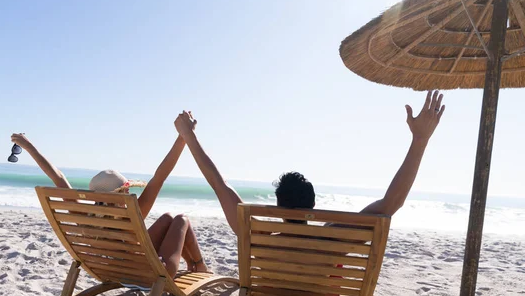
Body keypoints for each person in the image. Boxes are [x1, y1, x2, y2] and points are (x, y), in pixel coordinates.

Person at [173, 91, 446, 234]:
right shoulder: (330, 236)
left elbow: (218, 184)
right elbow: (391, 204)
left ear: (279, 207)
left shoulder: (256, 233)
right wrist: (420, 140)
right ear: (313, 206)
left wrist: (188, 136)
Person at [10, 128, 209, 277]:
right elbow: (160, 176)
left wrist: (28, 147)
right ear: (123, 191)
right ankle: (199, 264)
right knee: (181, 219)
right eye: (127, 189)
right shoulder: (132, 212)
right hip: (154, 274)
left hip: (113, 272)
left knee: (167, 218)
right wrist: (183, 138)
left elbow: (58, 177)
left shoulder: (83, 215)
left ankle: (196, 265)